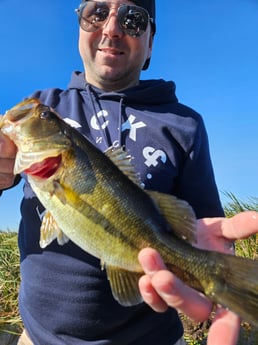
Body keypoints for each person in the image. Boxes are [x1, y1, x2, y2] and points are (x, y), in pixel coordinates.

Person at [0, 1, 257, 344]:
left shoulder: (184, 124)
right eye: (97, 12)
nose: (111, 28)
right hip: (38, 337)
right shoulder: (45, 102)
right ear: (80, 26)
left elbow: (203, 224)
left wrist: (211, 269)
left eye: (132, 19)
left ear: (150, 41)